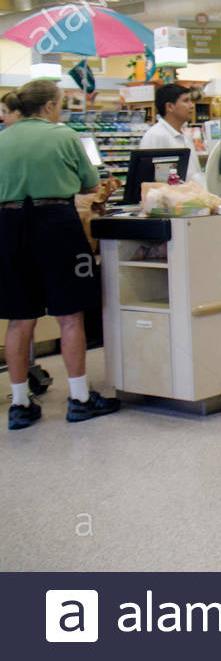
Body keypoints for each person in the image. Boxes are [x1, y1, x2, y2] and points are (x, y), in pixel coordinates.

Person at [1, 80, 121, 430]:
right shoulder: (64, 136)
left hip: (8, 226)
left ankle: (20, 404)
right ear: (50, 107)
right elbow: (90, 185)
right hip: (56, 223)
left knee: (19, 319)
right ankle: (80, 398)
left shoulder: (2, 138)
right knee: (70, 315)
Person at [139, 83, 201, 183]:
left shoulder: (185, 136)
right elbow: (148, 179)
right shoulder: (155, 136)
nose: (192, 106)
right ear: (169, 107)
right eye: (186, 101)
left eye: (191, 101)